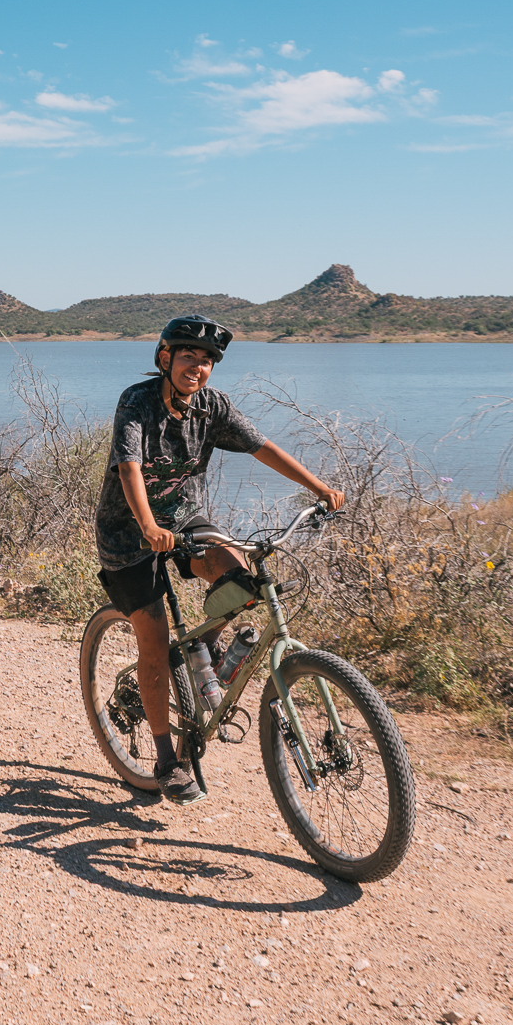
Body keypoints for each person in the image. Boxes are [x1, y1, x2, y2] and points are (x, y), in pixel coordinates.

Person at [95, 314, 346, 805]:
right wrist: (148, 527)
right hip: (129, 532)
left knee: (244, 581)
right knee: (152, 637)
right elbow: (128, 467)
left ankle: (200, 650)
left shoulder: (211, 408)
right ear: (165, 358)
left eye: (207, 361)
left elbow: (262, 447)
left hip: (186, 519)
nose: (199, 367)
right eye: (189, 356)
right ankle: (168, 758)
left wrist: (317, 488)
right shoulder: (137, 401)